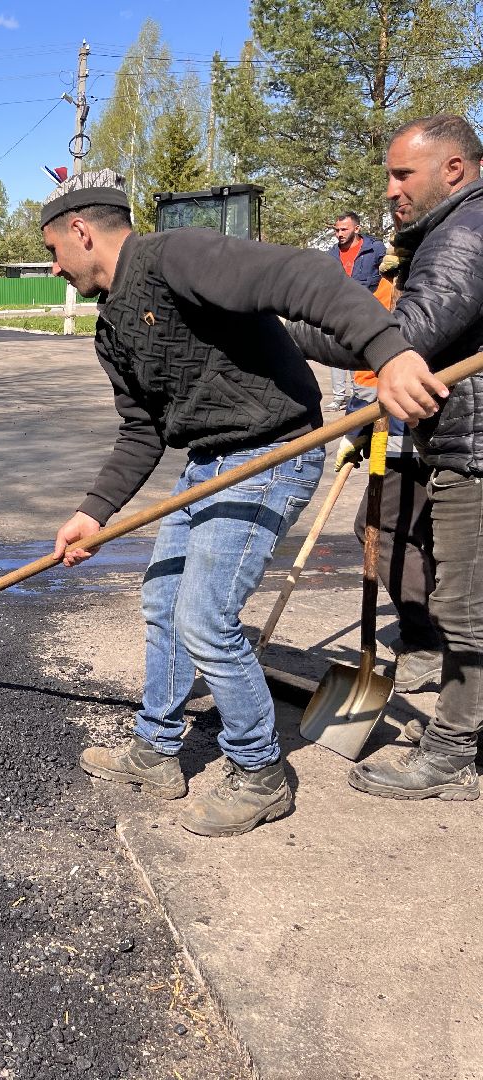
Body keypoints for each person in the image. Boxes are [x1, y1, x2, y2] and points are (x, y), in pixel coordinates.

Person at [42, 169, 422, 836]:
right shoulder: (111, 329)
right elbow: (142, 431)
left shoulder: (178, 256)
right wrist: (94, 511)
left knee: (205, 617)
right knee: (163, 599)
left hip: (271, 452)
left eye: (52, 252)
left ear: (81, 231)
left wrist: (387, 354)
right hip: (207, 461)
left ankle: (260, 773)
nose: (52, 269)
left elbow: (302, 279)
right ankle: (156, 752)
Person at [289, 114, 483, 801]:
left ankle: (452, 753)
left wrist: (293, 332)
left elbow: (403, 338)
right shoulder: (447, 232)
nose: (392, 191)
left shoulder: (463, 234)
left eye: (404, 174)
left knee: (462, 607)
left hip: (474, 448)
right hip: (454, 435)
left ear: (453, 169)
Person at [336, 249, 442, 697]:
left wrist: (363, 427)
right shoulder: (429, 307)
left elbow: (409, 387)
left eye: (397, 278)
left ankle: (425, 641)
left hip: (416, 450)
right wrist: (361, 428)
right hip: (416, 446)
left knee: (379, 529)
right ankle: (436, 638)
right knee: (428, 539)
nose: (392, 287)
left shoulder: (427, 314)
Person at [326, 213, 388, 411]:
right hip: (340, 311)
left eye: (344, 229)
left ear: (357, 229)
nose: (339, 234)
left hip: (368, 311)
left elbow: (389, 274)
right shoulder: (331, 254)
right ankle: (339, 397)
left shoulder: (375, 249)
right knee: (335, 353)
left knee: (359, 355)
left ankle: (360, 395)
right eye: (337, 230)